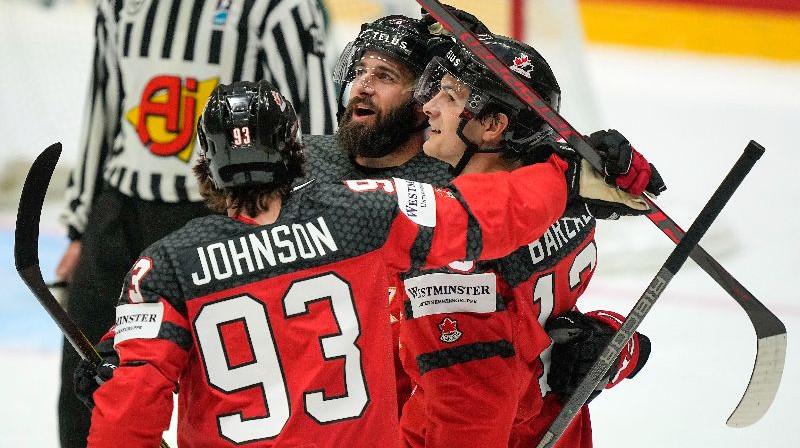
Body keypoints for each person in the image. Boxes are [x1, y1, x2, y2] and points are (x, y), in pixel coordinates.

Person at [84, 79, 574, 448]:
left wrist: (116, 358)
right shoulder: (361, 210)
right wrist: (560, 169)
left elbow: (127, 415)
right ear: (295, 152)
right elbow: (489, 216)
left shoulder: (164, 267)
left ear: (205, 164)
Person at [55, 1, 337, 447]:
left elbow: (313, 120)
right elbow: (103, 105)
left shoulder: (278, 8)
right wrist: (79, 226)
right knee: (87, 383)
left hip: (217, 217)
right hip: (119, 214)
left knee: (224, 390)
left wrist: (314, 216)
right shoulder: (119, 5)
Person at [397, 33, 665, 448]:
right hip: (560, 434)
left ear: (492, 126)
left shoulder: (456, 259)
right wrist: (614, 345)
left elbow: (469, 409)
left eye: (448, 96)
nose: (428, 105)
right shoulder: (569, 205)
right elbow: (545, 327)